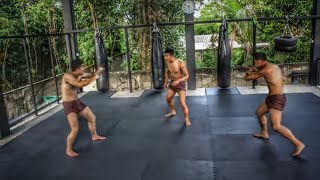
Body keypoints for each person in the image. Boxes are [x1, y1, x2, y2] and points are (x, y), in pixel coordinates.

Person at [244, 52, 305, 157]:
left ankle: (298, 144)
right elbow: (283, 79)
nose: (254, 63)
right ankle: (264, 133)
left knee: (276, 126)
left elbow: (248, 78)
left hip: (277, 99)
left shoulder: (266, 70)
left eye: (255, 61)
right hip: (272, 98)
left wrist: (249, 71)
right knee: (259, 113)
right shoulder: (274, 67)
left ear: (259, 61)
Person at [61, 60, 106, 157]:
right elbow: (79, 85)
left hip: (77, 102)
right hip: (69, 104)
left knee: (92, 118)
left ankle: (94, 135)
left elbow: (90, 75)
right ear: (77, 68)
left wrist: (98, 72)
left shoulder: (79, 74)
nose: (84, 68)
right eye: (82, 67)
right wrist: (94, 78)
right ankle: (68, 149)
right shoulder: (67, 76)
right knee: (75, 129)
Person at [163, 48, 191, 127]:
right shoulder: (168, 63)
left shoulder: (180, 63)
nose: (165, 58)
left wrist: (178, 81)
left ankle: (187, 120)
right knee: (168, 98)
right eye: (164, 56)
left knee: (182, 103)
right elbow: (168, 73)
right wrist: (165, 82)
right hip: (172, 83)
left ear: (171, 55)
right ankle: (173, 111)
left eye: (166, 56)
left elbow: (187, 75)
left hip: (180, 84)